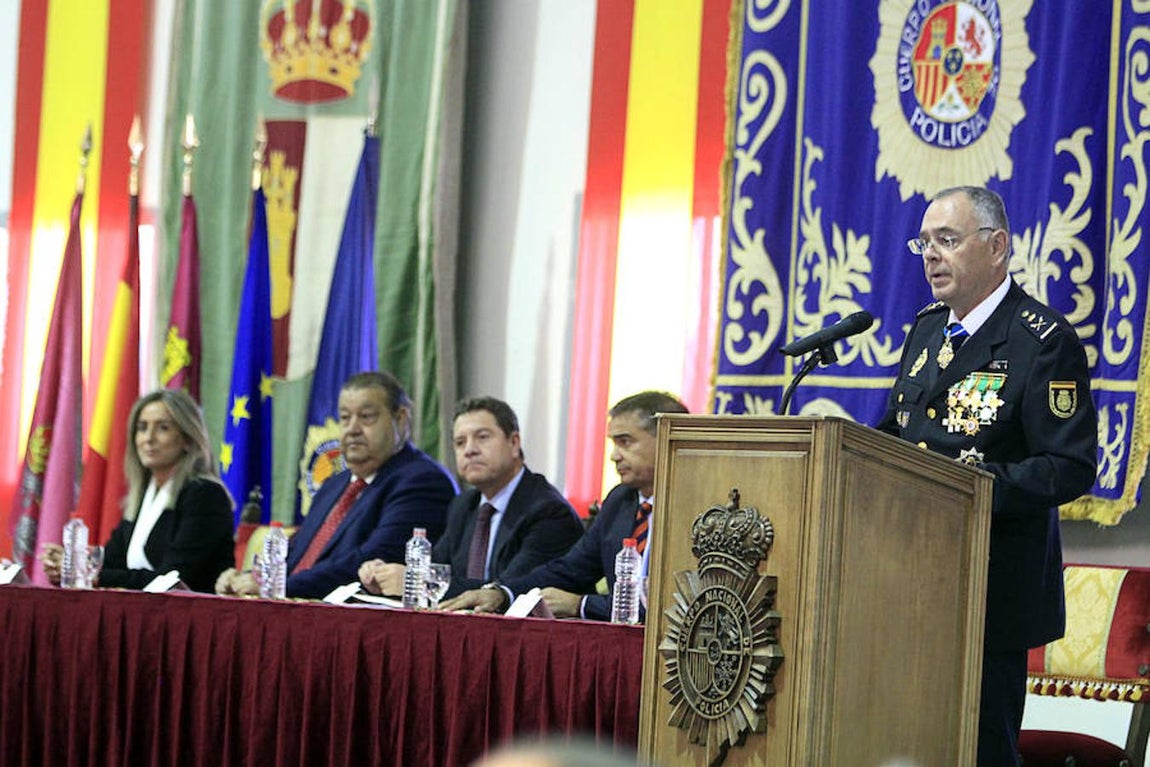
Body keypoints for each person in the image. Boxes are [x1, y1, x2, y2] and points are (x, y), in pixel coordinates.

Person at [877, 186, 1097, 766]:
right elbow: (896, 435)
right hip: (907, 580)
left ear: (997, 246)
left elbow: (1069, 466)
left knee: (979, 751)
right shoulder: (927, 330)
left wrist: (968, 488)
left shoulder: (1041, 340)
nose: (931, 254)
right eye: (924, 243)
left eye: (946, 240)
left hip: (989, 590)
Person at [442, 391, 688, 621]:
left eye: (625, 442)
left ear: (667, 438)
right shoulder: (620, 501)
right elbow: (570, 570)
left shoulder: (697, 508)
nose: (614, 456)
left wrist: (582, 604)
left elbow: (676, 603)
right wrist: (503, 594)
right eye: (614, 443)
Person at [215, 371, 457, 599]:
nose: (352, 429)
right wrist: (249, 578)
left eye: (366, 417)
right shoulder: (335, 484)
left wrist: (278, 588)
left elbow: (368, 564)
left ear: (401, 419)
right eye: (345, 417)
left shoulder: (422, 482)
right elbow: (298, 554)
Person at [358, 396, 583, 599]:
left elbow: (509, 590)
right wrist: (386, 575)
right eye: (460, 442)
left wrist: (417, 582)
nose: (469, 450)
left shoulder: (548, 512)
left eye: (482, 437)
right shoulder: (464, 504)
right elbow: (437, 570)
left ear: (514, 443)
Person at [40, 389, 235, 593]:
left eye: (163, 428)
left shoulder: (205, 495)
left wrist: (93, 575)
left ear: (188, 439)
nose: (148, 438)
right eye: (142, 428)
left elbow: (172, 578)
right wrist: (72, 563)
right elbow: (114, 559)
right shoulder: (145, 495)